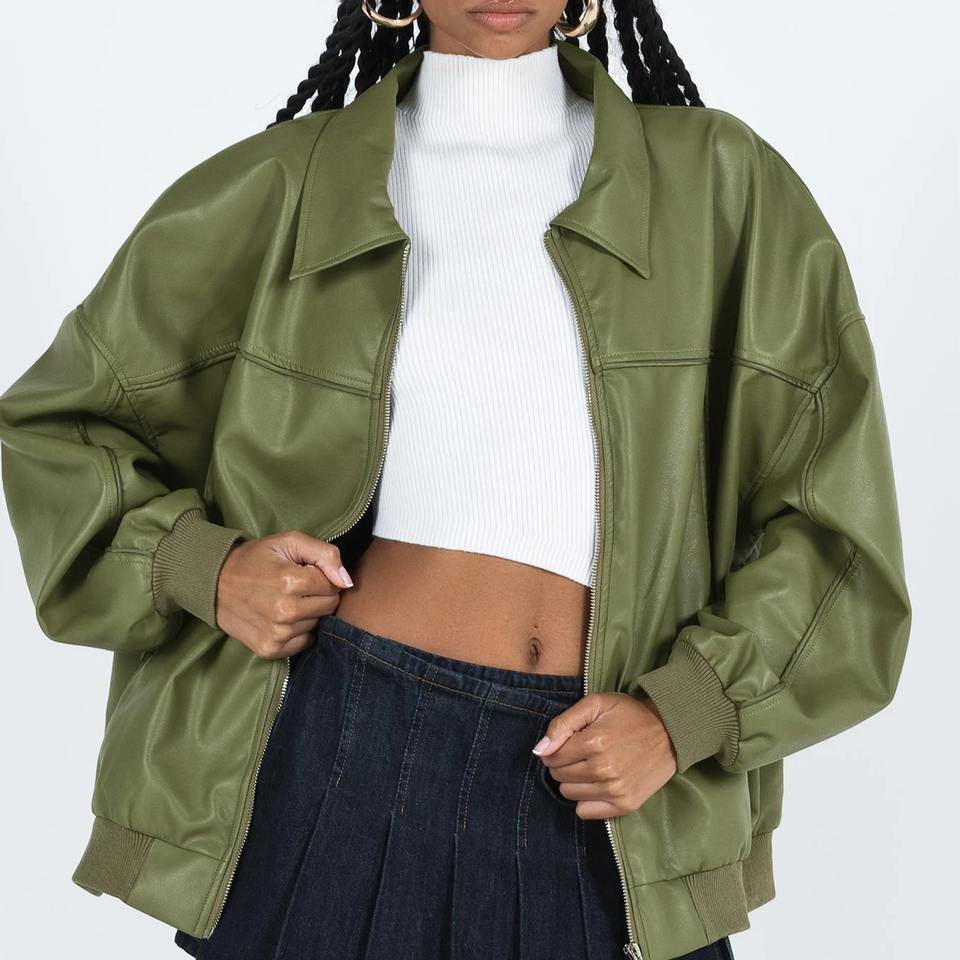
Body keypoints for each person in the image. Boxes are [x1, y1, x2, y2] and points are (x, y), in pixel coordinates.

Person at [0, 2, 911, 959]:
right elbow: (61, 421)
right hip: (342, 750)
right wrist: (209, 570)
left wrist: (684, 714)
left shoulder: (724, 186)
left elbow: (837, 531)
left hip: (609, 781)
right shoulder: (284, 186)